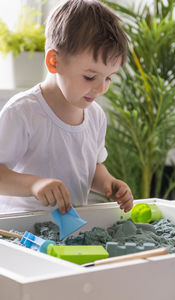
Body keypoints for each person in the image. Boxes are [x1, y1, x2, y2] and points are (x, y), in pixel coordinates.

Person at [0, 0, 134, 214]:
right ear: (54, 62)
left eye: (109, 77)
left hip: (70, 232)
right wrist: (34, 185)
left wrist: (109, 183)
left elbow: (91, 169)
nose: (101, 88)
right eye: (90, 77)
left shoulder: (96, 116)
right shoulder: (23, 113)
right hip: (20, 232)